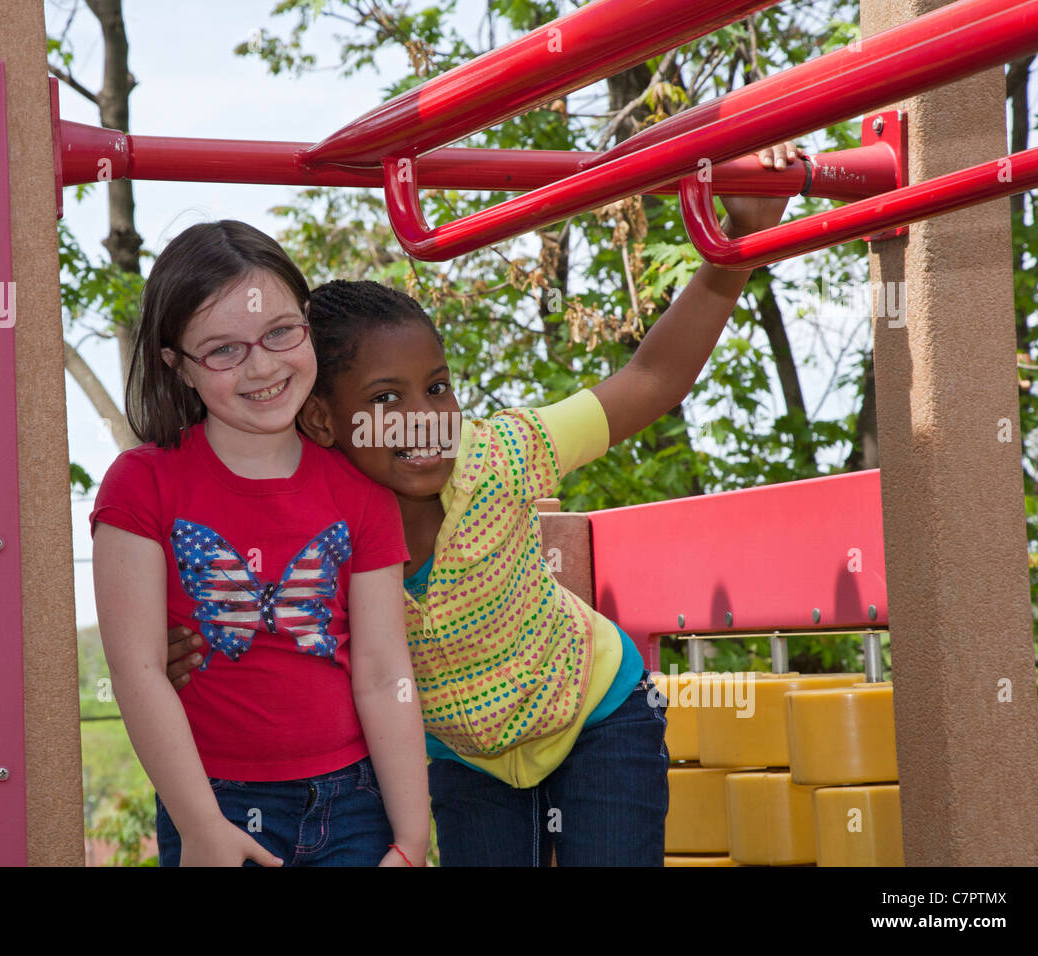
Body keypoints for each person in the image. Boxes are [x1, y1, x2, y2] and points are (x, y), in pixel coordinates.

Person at [167, 144, 799, 865]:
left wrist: (737, 244)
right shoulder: (318, 527)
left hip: (595, 711)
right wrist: (177, 644)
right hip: (467, 758)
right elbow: (242, 595)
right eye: (384, 400)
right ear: (319, 422)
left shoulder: (499, 451)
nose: (424, 417)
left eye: (437, 387)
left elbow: (651, 379)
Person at [90, 220, 430, 867]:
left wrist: (411, 842)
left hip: (354, 804)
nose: (263, 365)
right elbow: (136, 672)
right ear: (177, 366)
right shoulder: (141, 486)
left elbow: (386, 677)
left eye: (280, 332)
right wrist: (200, 826)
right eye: (224, 350)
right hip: (212, 802)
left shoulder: (360, 494)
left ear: (307, 325)